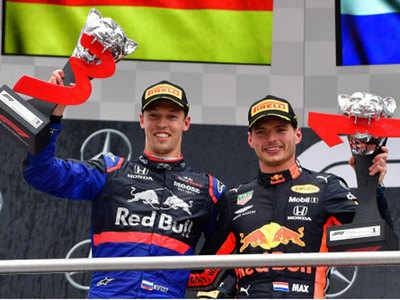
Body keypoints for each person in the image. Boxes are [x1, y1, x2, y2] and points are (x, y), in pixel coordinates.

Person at [23, 71, 225, 299]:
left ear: (185, 123)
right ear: (142, 120)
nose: (162, 124)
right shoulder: (111, 170)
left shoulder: (207, 189)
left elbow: (232, 246)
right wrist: (52, 118)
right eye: (154, 115)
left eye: (172, 117)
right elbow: (41, 173)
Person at [188, 94, 392, 298]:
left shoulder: (326, 187)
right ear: (250, 139)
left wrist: (372, 186)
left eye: (281, 130)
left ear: (297, 134)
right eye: (262, 132)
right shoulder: (234, 199)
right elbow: (205, 275)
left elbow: (376, 242)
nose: (271, 139)